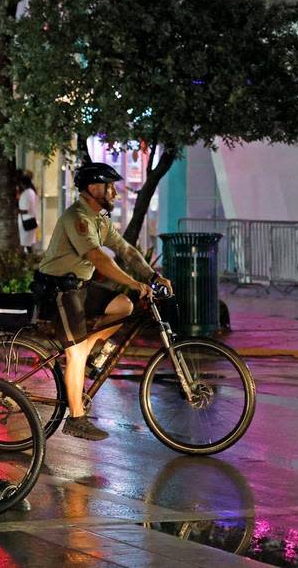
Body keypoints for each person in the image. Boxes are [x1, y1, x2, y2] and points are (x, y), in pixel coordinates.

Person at [34, 163, 173, 441]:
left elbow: (125, 250)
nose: (114, 192)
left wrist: (152, 275)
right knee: (75, 353)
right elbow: (99, 258)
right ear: (92, 188)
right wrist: (133, 283)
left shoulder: (99, 219)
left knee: (123, 305)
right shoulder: (79, 218)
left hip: (80, 286)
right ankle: (76, 418)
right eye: (109, 186)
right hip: (58, 289)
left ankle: (88, 350)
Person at [17, 173, 39, 253]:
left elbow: (25, 209)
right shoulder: (31, 192)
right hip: (30, 220)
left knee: (25, 243)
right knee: (28, 243)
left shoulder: (27, 193)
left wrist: (16, 211)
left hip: (25, 221)